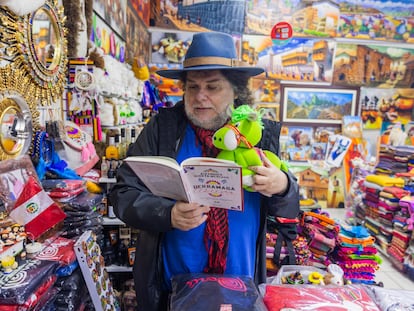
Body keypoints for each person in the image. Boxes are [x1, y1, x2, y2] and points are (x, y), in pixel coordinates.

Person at [109, 32, 300, 311]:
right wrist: (168, 213)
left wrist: (282, 185)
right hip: (171, 286)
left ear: (236, 91)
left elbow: (290, 208)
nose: (200, 97)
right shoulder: (164, 129)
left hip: (241, 284)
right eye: (193, 87)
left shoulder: (260, 133)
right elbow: (123, 194)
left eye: (213, 87)